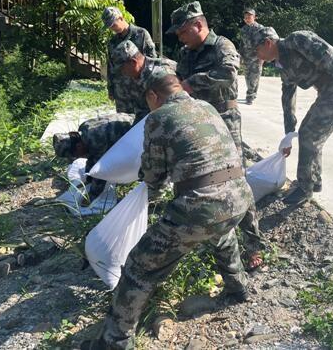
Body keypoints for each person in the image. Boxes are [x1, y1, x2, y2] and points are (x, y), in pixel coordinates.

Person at [80, 68, 254, 350]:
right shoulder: (207, 106)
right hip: (239, 197)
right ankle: (238, 288)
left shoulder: (158, 117)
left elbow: (154, 176)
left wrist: (144, 185)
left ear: (153, 95)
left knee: (138, 267)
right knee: (220, 231)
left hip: (202, 205)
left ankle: (114, 342)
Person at [167, 1, 265, 269]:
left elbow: (228, 72)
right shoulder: (186, 53)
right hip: (197, 122)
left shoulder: (223, 45)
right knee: (198, 179)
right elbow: (176, 80)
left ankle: (253, 245)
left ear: (198, 25)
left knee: (237, 180)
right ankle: (208, 238)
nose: (180, 37)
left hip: (224, 119)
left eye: (183, 31)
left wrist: (191, 83)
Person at [252, 27, 333, 205]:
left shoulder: (297, 40)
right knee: (308, 134)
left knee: (309, 135)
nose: (257, 55)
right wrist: (288, 135)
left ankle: (305, 188)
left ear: (268, 43)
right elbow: (288, 97)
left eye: (257, 50)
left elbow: (329, 55)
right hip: (328, 92)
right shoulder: (283, 64)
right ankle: (313, 182)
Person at [53, 113, 134, 202]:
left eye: (75, 154)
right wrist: (88, 178)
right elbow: (92, 158)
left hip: (136, 130)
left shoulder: (96, 141)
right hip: (128, 120)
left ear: (78, 146)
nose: (77, 157)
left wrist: (90, 197)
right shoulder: (83, 130)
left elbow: (101, 172)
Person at [102, 6, 157, 122]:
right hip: (121, 92)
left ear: (121, 18)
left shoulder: (141, 34)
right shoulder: (112, 42)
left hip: (140, 89)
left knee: (144, 122)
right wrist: (111, 89)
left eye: (113, 24)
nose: (112, 28)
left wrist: (152, 87)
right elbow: (111, 66)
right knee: (124, 123)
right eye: (109, 26)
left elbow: (151, 61)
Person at [110, 40, 177, 106]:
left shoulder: (161, 74)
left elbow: (172, 108)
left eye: (122, 68)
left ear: (133, 63)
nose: (122, 72)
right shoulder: (132, 76)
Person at [239, 8, 264, 104]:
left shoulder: (260, 29)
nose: (247, 19)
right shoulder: (244, 29)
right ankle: (252, 93)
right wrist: (240, 55)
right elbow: (242, 44)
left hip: (257, 57)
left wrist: (262, 57)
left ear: (254, 17)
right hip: (246, 56)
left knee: (254, 76)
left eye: (249, 17)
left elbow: (264, 44)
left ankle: (250, 95)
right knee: (248, 77)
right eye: (245, 17)